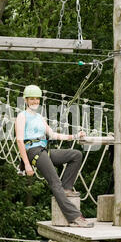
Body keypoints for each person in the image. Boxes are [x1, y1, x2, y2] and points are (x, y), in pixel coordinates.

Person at [15, 84, 94, 228]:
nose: (34, 102)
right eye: (31, 99)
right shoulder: (22, 116)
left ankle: (66, 188)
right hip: (33, 152)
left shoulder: (39, 117)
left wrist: (75, 136)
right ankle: (75, 217)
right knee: (54, 182)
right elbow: (20, 140)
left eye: (37, 99)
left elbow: (53, 135)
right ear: (26, 100)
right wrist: (26, 164)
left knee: (75, 155)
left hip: (44, 150)